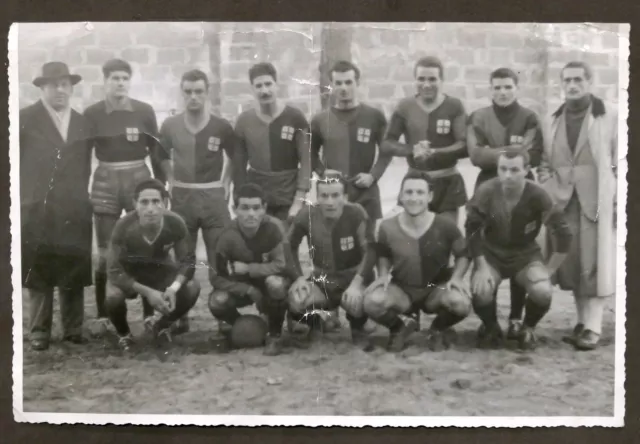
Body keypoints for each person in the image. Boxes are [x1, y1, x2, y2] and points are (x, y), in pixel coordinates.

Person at [538, 61, 618, 351]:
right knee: (572, 262)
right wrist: (549, 186)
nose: (572, 86)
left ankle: (594, 326)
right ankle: (582, 323)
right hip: (562, 200)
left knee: (594, 262)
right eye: (567, 81)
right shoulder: (553, 120)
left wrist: (616, 196)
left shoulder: (609, 116)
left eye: (578, 80)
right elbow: (545, 163)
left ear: (589, 81)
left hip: (596, 199)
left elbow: (622, 160)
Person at [84, 59, 166, 330]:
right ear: (105, 81)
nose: (120, 82)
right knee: (106, 250)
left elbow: (156, 153)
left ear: (130, 81)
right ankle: (104, 315)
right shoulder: (92, 113)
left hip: (138, 178)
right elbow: (84, 157)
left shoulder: (144, 111)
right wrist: (83, 190)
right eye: (114, 78)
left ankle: (148, 313)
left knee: (144, 243)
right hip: (106, 179)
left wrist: (161, 190)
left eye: (124, 78)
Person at [465, 149, 572, 350]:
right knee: (481, 289)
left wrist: (549, 271)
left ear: (526, 170)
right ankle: (491, 326)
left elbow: (564, 234)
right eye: (503, 169)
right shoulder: (486, 191)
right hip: (492, 252)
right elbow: (471, 230)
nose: (507, 175)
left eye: (514, 170)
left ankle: (527, 327)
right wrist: (481, 266)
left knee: (542, 290)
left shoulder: (538, 194)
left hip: (525, 254)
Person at [467, 67, 545, 340]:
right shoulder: (479, 117)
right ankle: (490, 321)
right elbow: (475, 155)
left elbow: (533, 155)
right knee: (492, 245)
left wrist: (495, 153)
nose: (502, 92)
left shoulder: (529, 117)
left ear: (517, 88)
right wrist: (512, 154)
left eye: (508, 87)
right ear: (490, 89)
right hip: (487, 184)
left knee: (518, 244)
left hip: (522, 185)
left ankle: (515, 317)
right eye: (497, 87)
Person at [20, 62, 94, 351]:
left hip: (74, 206)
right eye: (54, 85)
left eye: (65, 84)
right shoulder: (24, 119)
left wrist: (80, 197)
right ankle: (39, 330)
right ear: (42, 88)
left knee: (73, 266)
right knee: (39, 270)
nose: (60, 90)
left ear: (71, 88)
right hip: (37, 206)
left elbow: (85, 164)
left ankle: (73, 328)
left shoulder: (81, 122)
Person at [158, 69, 236, 333]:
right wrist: (170, 179)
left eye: (198, 91)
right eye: (188, 92)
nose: (193, 97)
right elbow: (160, 155)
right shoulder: (170, 125)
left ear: (207, 93)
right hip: (182, 196)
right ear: (182, 93)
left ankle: (223, 315)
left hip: (213, 196)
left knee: (220, 257)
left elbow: (236, 156)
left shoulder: (221, 126)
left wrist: (225, 184)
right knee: (183, 259)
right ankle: (181, 314)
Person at [363, 171, 472, 352]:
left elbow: (464, 254)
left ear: (429, 196)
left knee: (461, 303)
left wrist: (458, 278)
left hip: (436, 290)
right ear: (401, 196)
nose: (414, 198)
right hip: (403, 290)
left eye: (420, 193)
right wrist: (382, 275)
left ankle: (437, 329)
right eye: (409, 192)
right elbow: (383, 253)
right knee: (372, 302)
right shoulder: (387, 226)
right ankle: (399, 328)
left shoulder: (446, 226)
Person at [105, 179, 200, 351]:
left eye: (156, 201)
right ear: (135, 204)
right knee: (113, 296)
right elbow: (113, 270)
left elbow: (188, 261)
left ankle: (162, 325)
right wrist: (149, 293)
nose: (150, 208)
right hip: (129, 273)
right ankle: (124, 334)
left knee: (192, 286)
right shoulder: (123, 226)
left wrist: (173, 288)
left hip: (159, 271)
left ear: (164, 203)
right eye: (144, 202)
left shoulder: (175, 223)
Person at [287, 171, 376, 347]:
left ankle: (357, 328)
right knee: (295, 301)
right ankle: (316, 325)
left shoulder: (356, 213)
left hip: (351, 278)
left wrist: (357, 283)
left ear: (345, 196)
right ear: (317, 197)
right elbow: (288, 246)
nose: (329, 202)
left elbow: (370, 251)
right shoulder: (307, 214)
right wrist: (297, 277)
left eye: (335, 195)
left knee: (358, 302)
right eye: (324, 196)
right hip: (323, 279)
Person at [207, 184, 297, 356]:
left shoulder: (274, 227)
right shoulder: (226, 235)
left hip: (268, 282)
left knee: (276, 284)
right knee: (217, 300)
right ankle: (237, 326)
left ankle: (275, 335)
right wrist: (247, 289)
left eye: (256, 208)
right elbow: (215, 277)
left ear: (264, 208)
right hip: (242, 286)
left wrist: (250, 268)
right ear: (235, 209)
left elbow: (282, 264)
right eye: (245, 208)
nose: (251, 214)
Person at [381, 56, 468, 224]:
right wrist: (411, 150)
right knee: (413, 237)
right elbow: (387, 143)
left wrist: (436, 152)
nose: (426, 84)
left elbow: (464, 145)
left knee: (445, 235)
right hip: (415, 181)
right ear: (415, 80)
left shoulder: (454, 106)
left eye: (432, 79)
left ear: (441, 80)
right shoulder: (405, 106)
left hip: (447, 181)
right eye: (421, 79)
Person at [310, 60, 391, 222]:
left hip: (365, 191)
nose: (343, 88)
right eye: (338, 83)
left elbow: (386, 151)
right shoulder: (320, 120)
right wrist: (321, 171)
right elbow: (309, 153)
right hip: (333, 194)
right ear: (331, 85)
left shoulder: (374, 116)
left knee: (367, 243)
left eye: (348, 82)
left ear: (357, 82)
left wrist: (373, 176)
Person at [232, 62, 311, 223]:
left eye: (268, 84)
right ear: (252, 89)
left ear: (277, 85)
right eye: (258, 86)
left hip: (287, 196)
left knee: (285, 244)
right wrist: (239, 198)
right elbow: (239, 166)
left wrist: (299, 200)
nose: (264, 91)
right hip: (257, 197)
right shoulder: (244, 121)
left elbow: (306, 161)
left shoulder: (295, 117)